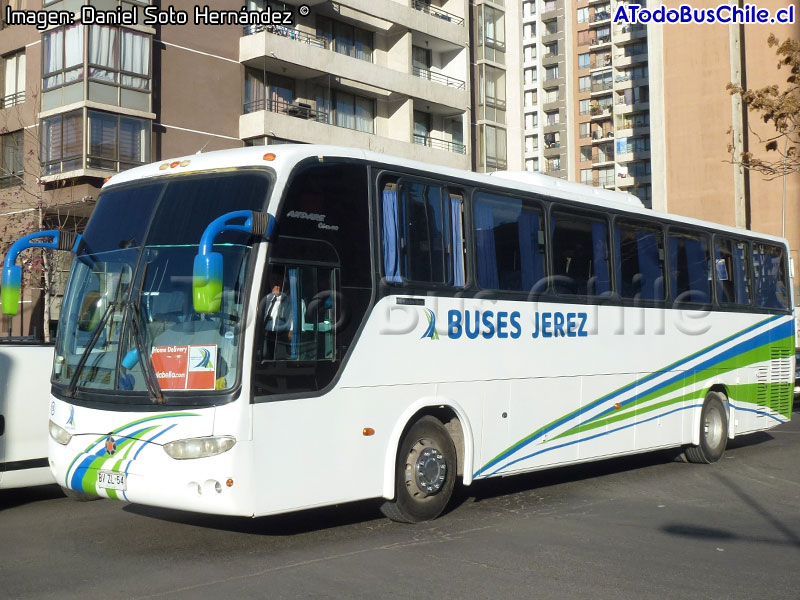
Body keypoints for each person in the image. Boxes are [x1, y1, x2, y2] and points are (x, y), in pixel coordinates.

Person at [263, 274, 293, 360]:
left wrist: (290, 332)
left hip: (281, 335)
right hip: (266, 334)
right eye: (273, 280)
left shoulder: (288, 300)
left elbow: (292, 318)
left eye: (279, 281)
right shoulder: (266, 298)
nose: (276, 285)